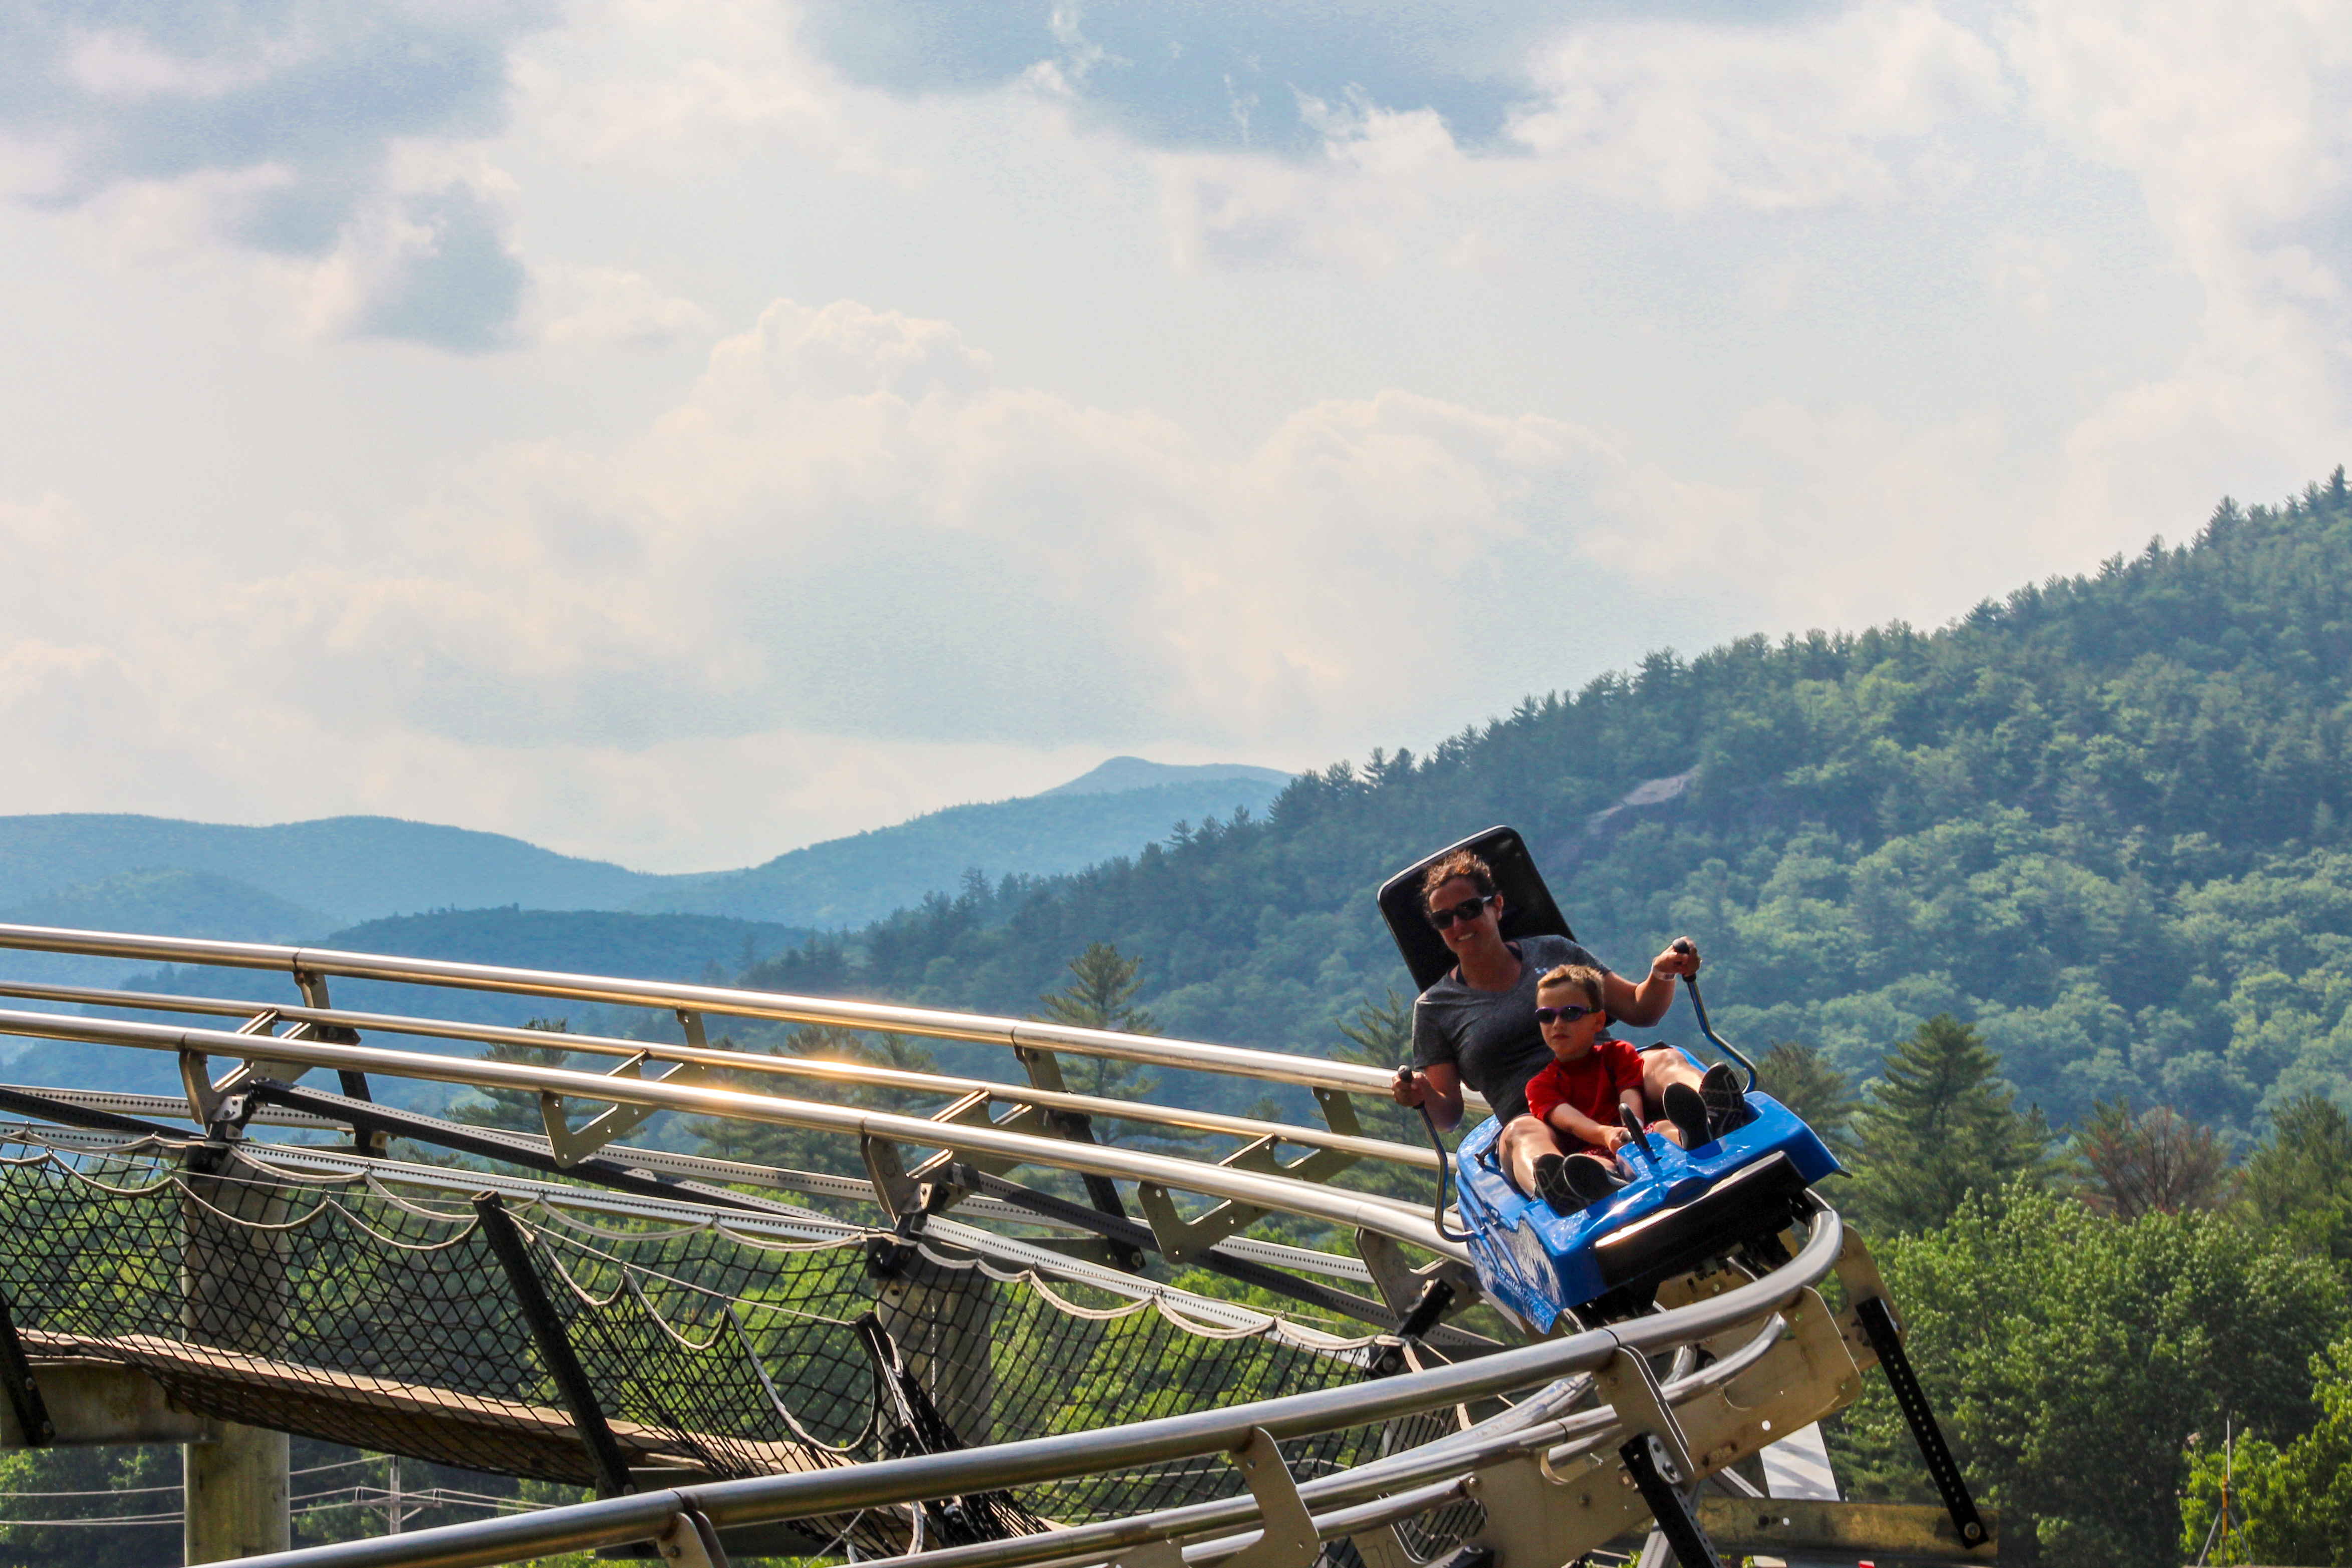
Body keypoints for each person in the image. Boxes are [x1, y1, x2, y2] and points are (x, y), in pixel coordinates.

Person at [1387, 848, 1745, 1198]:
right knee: (1522, 1133)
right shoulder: (1435, 1008)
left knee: (1663, 1060)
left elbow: (1640, 1010)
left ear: (1496, 906)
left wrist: (1662, 975)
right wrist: (1422, 1095)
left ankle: (1713, 1111)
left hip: (1609, 1080)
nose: (1458, 925)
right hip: (1535, 1115)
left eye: (1468, 910)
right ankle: (1564, 1184)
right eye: (1443, 919)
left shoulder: (1554, 952)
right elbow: (1447, 1114)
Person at [1522, 964, 1689, 1213]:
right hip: (1594, 1148)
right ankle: (1604, 1187)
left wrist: (1632, 1130)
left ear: (1598, 1021)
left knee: (1664, 1128)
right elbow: (1569, 1122)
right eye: (1547, 1016)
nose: (1557, 1023)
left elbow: (1630, 1092)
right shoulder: (1540, 1085)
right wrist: (1606, 1135)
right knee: (1588, 1165)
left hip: (1637, 1134)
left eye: (1570, 1013)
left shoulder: (1618, 1053)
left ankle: (1695, 1135)